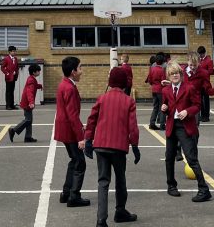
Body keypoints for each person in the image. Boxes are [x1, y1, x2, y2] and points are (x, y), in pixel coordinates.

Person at [85, 66, 140, 226]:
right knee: (120, 179)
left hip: (101, 144)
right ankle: (120, 211)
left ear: (110, 82)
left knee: (103, 181)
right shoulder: (129, 101)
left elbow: (91, 119)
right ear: (124, 83)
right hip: (119, 146)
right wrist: (135, 146)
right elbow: (133, 126)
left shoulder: (101, 98)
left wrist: (88, 139)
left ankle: (101, 220)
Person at [161, 62, 211, 202]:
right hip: (172, 125)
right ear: (169, 76)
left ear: (181, 75)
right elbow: (166, 105)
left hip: (185, 126)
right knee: (169, 157)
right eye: (172, 73)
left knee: (191, 158)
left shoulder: (189, 88)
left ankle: (204, 189)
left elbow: (197, 105)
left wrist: (187, 111)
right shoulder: (165, 90)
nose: (175, 75)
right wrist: (164, 108)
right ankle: (171, 186)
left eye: (177, 73)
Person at [55, 55, 89, 208]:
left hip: (64, 128)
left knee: (74, 160)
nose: (82, 71)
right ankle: (74, 196)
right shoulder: (70, 88)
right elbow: (72, 115)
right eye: (80, 68)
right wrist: (81, 136)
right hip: (69, 130)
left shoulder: (64, 84)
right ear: (73, 71)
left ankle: (67, 192)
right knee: (80, 162)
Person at [9, 63, 42, 143]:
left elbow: (33, 86)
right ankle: (13, 130)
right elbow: (29, 92)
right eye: (38, 71)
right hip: (27, 102)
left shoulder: (31, 78)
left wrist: (39, 86)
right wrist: (31, 102)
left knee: (29, 120)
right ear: (34, 72)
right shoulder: (31, 80)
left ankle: (28, 137)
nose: (39, 72)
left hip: (27, 102)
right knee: (28, 120)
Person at [145, 52, 166, 130]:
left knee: (155, 107)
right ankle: (162, 123)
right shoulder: (161, 70)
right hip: (160, 89)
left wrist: (153, 84)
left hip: (153, 88)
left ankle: (152, 123)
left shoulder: (152, 68)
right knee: (162, 106)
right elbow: (163, 81)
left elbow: (149, 80)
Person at [197, 46, 214, 122]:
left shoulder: (209, 61)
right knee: (199, 99)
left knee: (206, 100)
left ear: (204, 53)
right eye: (199, 54)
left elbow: (210, 71)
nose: (200, 55)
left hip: (205, 83)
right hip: (198, 83)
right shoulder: (198, 60)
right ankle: (202, 114)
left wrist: (202, 72)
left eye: (201, 54)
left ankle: (206, 115)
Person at [1, 45, 19, 110]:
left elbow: (16, 67)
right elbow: (2, 67)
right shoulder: (6, 59)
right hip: (8, 77)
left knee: (12, 91)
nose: (14, 52)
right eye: (13, 51)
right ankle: (8, 105)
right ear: (10, 52)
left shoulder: (15, 59)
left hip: (14, 77)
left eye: (15, 51)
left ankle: (12, 105)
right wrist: (7, 73)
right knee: (8, 91)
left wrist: (16, 73)